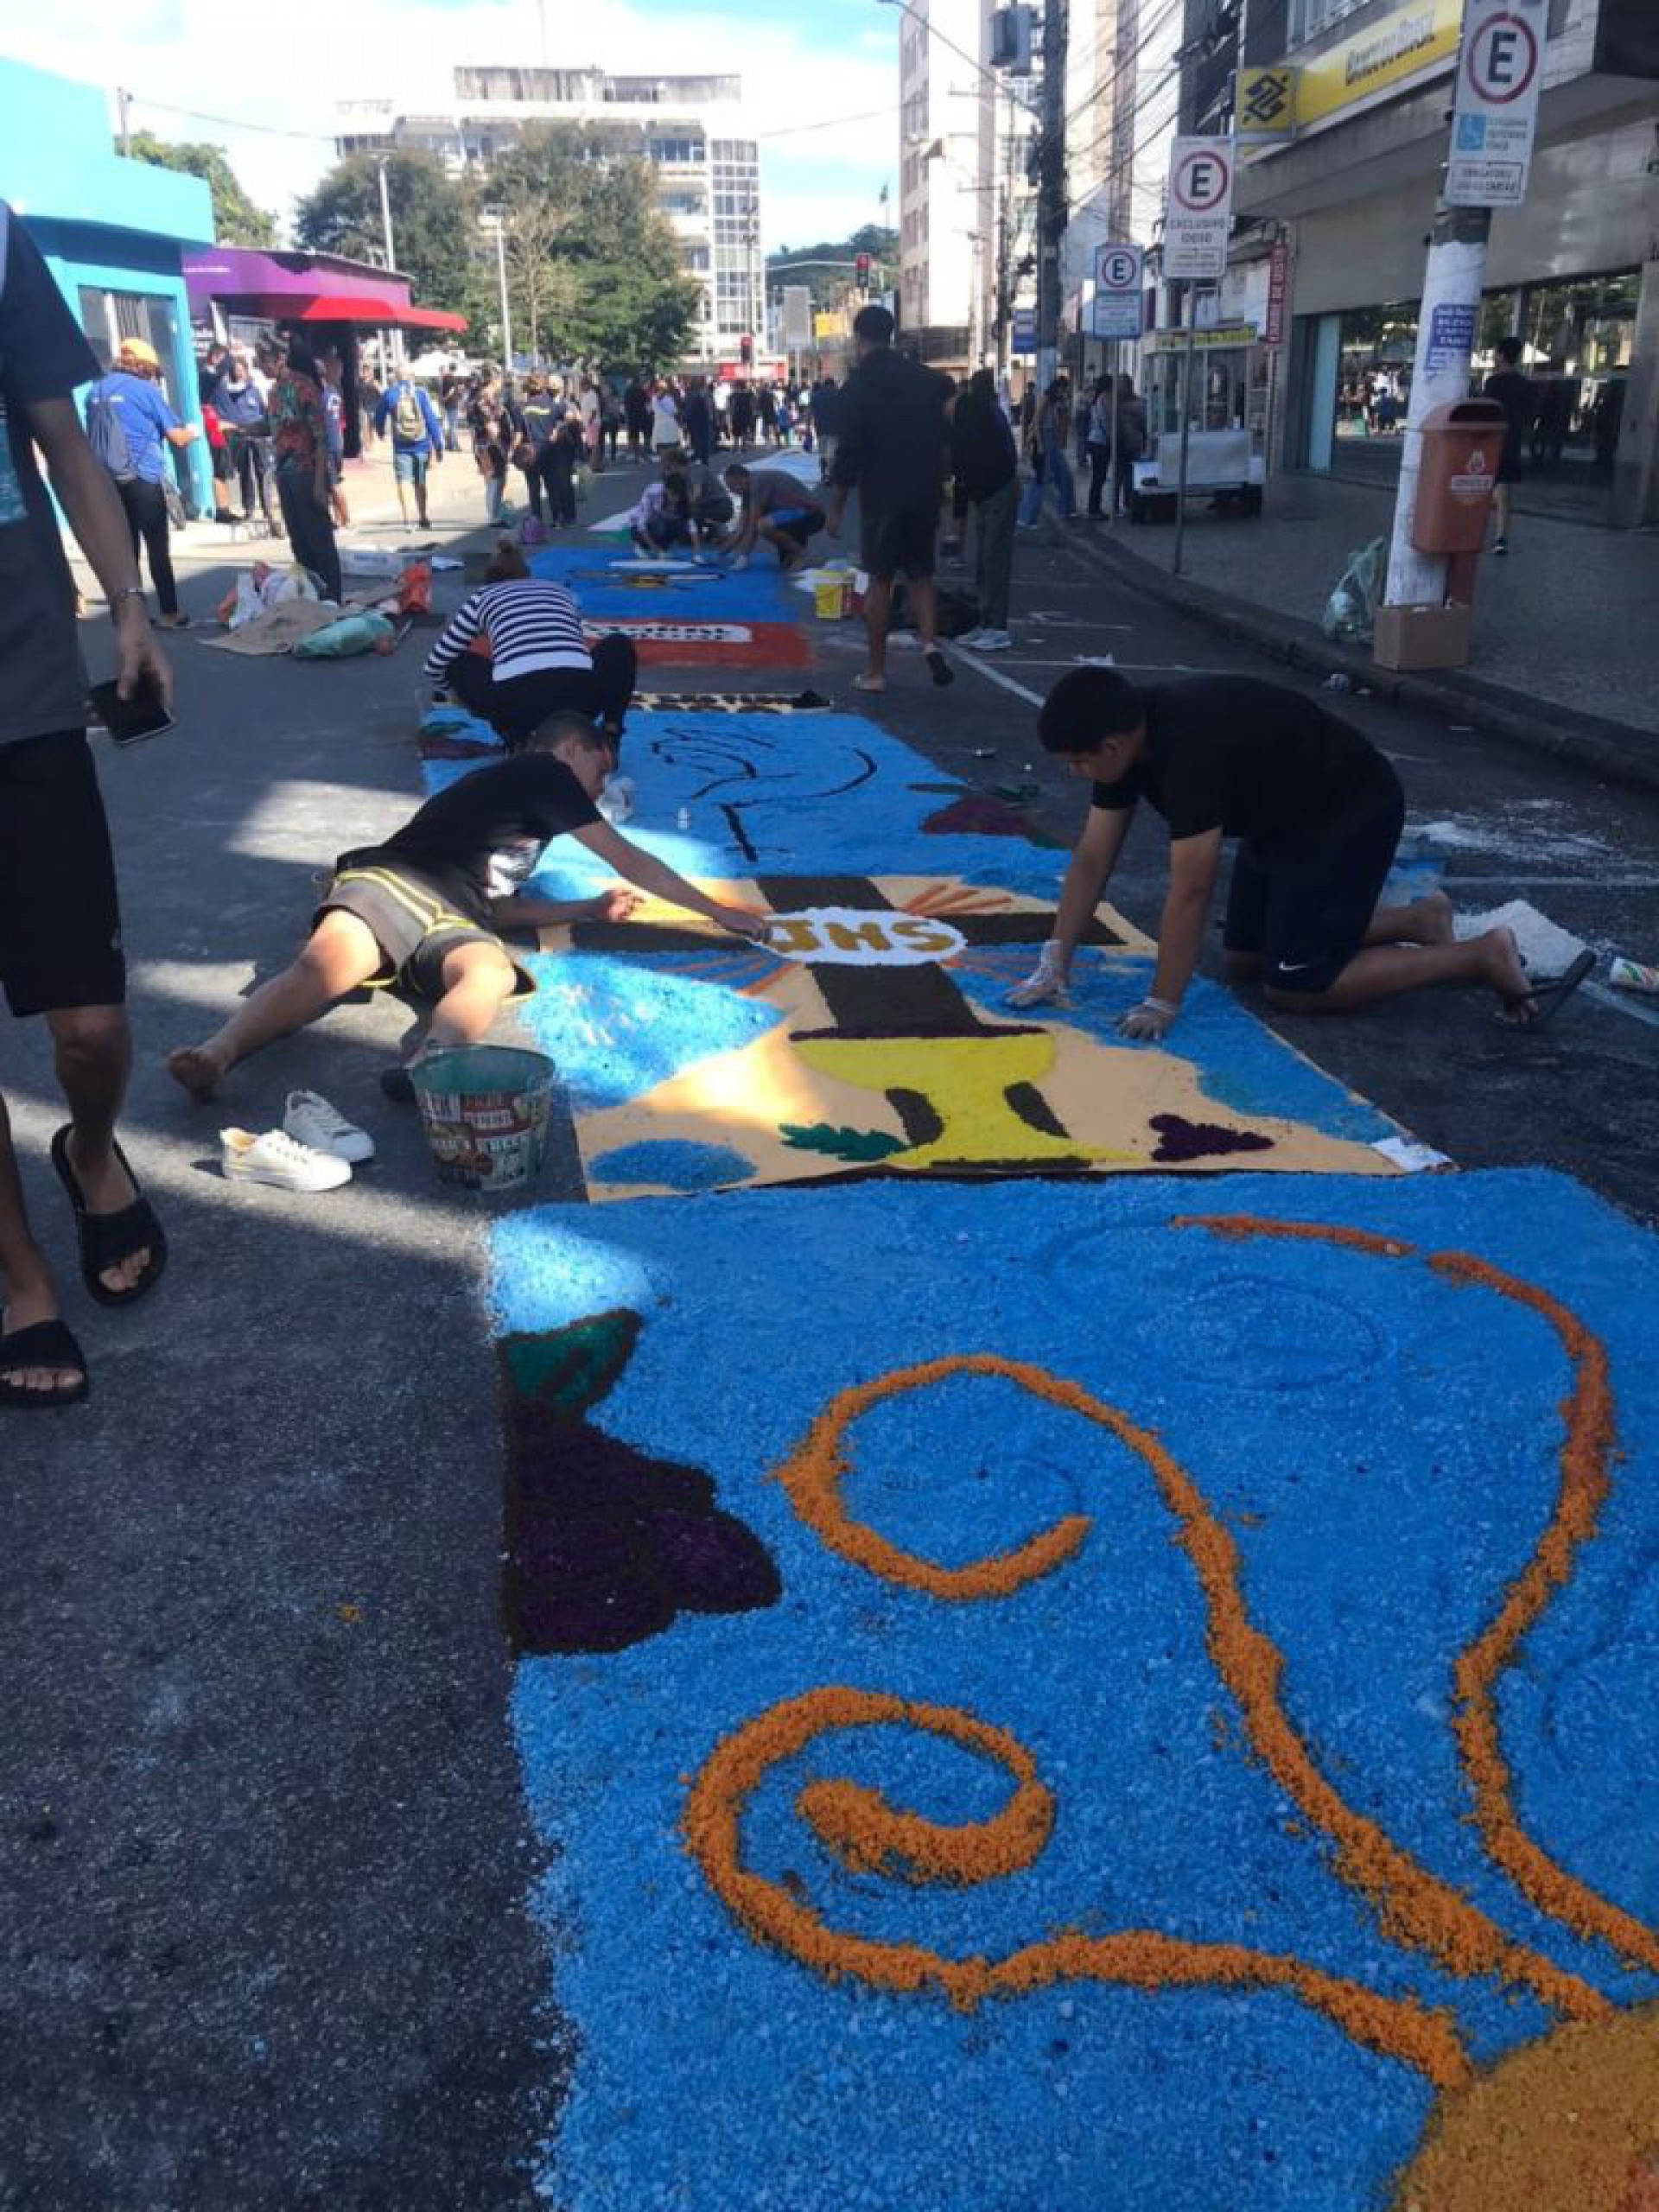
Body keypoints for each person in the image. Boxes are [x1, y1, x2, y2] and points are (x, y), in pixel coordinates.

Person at [167, 713, 769, 1104]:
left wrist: (585, 907)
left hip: (456, 918)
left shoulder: (529, 817)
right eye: (599, 766)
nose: (601, 785)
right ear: (566, 749)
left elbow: (496, 909)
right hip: (398, 881)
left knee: (491, 971)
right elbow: (629, 858)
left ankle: (434, 1061)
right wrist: (720, 913)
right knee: (327, 967)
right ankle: (218, 1053)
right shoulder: (542, 771)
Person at [1011, 666, 1589, 1035]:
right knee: (1244, 957)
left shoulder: (1188, 751)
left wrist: (1162, 1003)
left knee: (1298, 986)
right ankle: (1419, 917)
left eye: (1077, 762)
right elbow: (1092, 858)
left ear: (1110, 744)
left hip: (1345, 814)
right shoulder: (1124, 741)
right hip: (1281, 819)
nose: (1076, 774)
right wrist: (1055, 957)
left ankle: (1478, 955)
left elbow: (1190, 888)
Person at [1, 198, 175, 1408]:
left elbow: (63, 443)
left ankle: (92, 1148)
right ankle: (22, 1284)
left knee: (90, 1029)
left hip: (21, 687)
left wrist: (127, 602)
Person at [824, 302, 953, 694]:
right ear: (891, 334)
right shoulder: (926, 380)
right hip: (924, 489)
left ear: (860, 339)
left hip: (882, 494)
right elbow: (947, 422)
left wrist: (836, 507)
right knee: (921, 574)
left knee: (880, 580)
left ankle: (876, 672)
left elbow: (850, 454)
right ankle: (930, 642)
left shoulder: (858, 388)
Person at [424, 541, 639, 746]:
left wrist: (457, 696)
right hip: (580, 701)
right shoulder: (560, 592)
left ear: (489, 581)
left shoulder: (482, 597)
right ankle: (611, 733)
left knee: (459, 663)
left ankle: (515, 737)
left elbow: (435, 663)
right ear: (527, 574)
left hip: (517, 705)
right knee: (618, 645)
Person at [85, 337, 199, 630]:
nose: (153, 376)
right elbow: (178, 439)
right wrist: (194, 431)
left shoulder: (95, 391)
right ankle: (170, 613)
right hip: (143, 479)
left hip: (108, 482)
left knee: (127, 550)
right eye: (152, 370)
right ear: (141, 366)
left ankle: (133, 616)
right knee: (157, 549)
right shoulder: (145, 392)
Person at [264, 334, 342, 602]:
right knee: (299, 542)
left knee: (319, 541)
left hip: (307, 473)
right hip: (285, 474)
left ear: (280, 358)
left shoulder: (305, 387)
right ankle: (312, 598)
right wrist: (241, 429)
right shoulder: (275, 391)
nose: (261, 367)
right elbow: (275, 427)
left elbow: (321, 438)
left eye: (264, 361)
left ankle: (332, 600)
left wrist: (321, 484)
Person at [949, 368, 1019, 652]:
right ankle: (985, 621)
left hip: (999, 491)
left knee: (994, 560)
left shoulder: (971, 416)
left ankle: (997, 628)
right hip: (992, 491)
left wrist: (958, 521)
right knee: (985, 561)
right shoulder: (979, 413)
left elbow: (962, 470)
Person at [213, 344, 279, 531]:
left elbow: (262, 410)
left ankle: (267, 508)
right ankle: (248, 508)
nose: (239, 373)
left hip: (258, 437)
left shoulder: (254, 390)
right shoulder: (227, 392)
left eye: (241, 370)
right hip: (240, 436)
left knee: (262, 471)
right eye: (236, 371)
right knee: (245, 474)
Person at [1484, 334, 1535, 557]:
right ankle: (1501, 537)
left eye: (1496, 353)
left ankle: (1481, 530)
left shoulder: (1493, 383)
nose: (1494, 357)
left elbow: (1486, 411)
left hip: (1492, 438)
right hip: (1511, 439)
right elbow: (1529, 414)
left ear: (1502, 355)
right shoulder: (1524, 384)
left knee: (1487, 485)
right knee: (1505, 490)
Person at [375, 369, 445, 531]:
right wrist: (438, 445)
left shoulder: (390, 394)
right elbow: (431, 420)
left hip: (401, 445)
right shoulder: (421, 394)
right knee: (420, 481)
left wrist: (380, 432)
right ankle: (423, 516)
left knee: (403, 482)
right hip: (421, 443)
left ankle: (407, 519)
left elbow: (379, 417)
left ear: (396, 377)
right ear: (411, 377)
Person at [722, 461, 823, 572]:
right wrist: (721, 553)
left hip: (812, 514)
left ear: (742, 480)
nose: (731, 491)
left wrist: (743, 557)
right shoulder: (747, 491)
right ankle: (795, 550)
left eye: (731, 487)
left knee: (763, 525)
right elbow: (740, 528)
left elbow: (752, 527)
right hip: (793, 515)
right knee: (784, 563)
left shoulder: (758, 482)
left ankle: (801, 553)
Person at [1017, 377, 1077, 528]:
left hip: (1053, 443)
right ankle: (1026, 516)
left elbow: (1062, 425)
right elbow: (1037, 421)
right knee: (1040, 480)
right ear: (1058, 388)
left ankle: (1066, 509)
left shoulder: (1057, 403)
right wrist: (1041, 446)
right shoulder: (1045, 399)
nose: (1065, 392)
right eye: (1064, 389)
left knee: (1065, 475)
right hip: (1044, 441)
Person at [627, 456, 702, 556]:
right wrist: (653, 547)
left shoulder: (682, 496)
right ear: (667, 490)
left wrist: (697, 552)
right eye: (673, 495)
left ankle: (663, 547)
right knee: (659, 523)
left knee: (680, 524)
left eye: (678, 496)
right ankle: (642, 545)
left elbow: (691, 523)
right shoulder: (653, 491)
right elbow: (642, 523)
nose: (675, 499)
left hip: (663, 524)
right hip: (640, 527)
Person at [1112, 373, 1148, 518]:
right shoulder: (1116, 402)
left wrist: (1144, 439)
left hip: (1130, 443)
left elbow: (1144, 424)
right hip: (1122, 443)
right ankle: (1122, 504)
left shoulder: (1119, 402)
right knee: (1122, 476)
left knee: (1128, 476)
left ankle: (1127, 503)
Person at [1084, 374, 1115, 520]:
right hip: (1102, 442)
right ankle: (1095, 509)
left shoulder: (1096, 399)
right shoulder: (1105, 398)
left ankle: (1093, 507)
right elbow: (1110, 419)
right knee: (1099, 477)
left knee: (1097, 476)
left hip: (1093, 440)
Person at [683, 376, 715, 466]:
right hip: (703, 419)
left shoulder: (692, 394)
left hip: (696, 420)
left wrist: (685, 420)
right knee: (703, 439)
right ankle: (703, 458)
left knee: (698, 439)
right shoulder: (706, 393)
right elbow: (711, 406)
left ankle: (699, 455)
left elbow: (688, 409)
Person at [650, 382, 683, 458]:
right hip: (669, 423)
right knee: (672, 443)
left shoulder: (653, 399)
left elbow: (652, 411)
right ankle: (672, 463)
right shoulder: (669, 399)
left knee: (661, 444)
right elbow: (674, 411)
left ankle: (665, 464)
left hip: (659, 423)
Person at [439, 362, 464, 454]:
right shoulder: (453, 379)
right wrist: (446, 398)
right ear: (456, 369)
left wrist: (443, 400)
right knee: (453, 426)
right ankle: (453, 446)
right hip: (453, 403)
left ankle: (451, 444)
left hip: (446, 404)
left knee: (449, 425)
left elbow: (442, 390)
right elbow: (452, 390)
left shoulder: (444, 378)